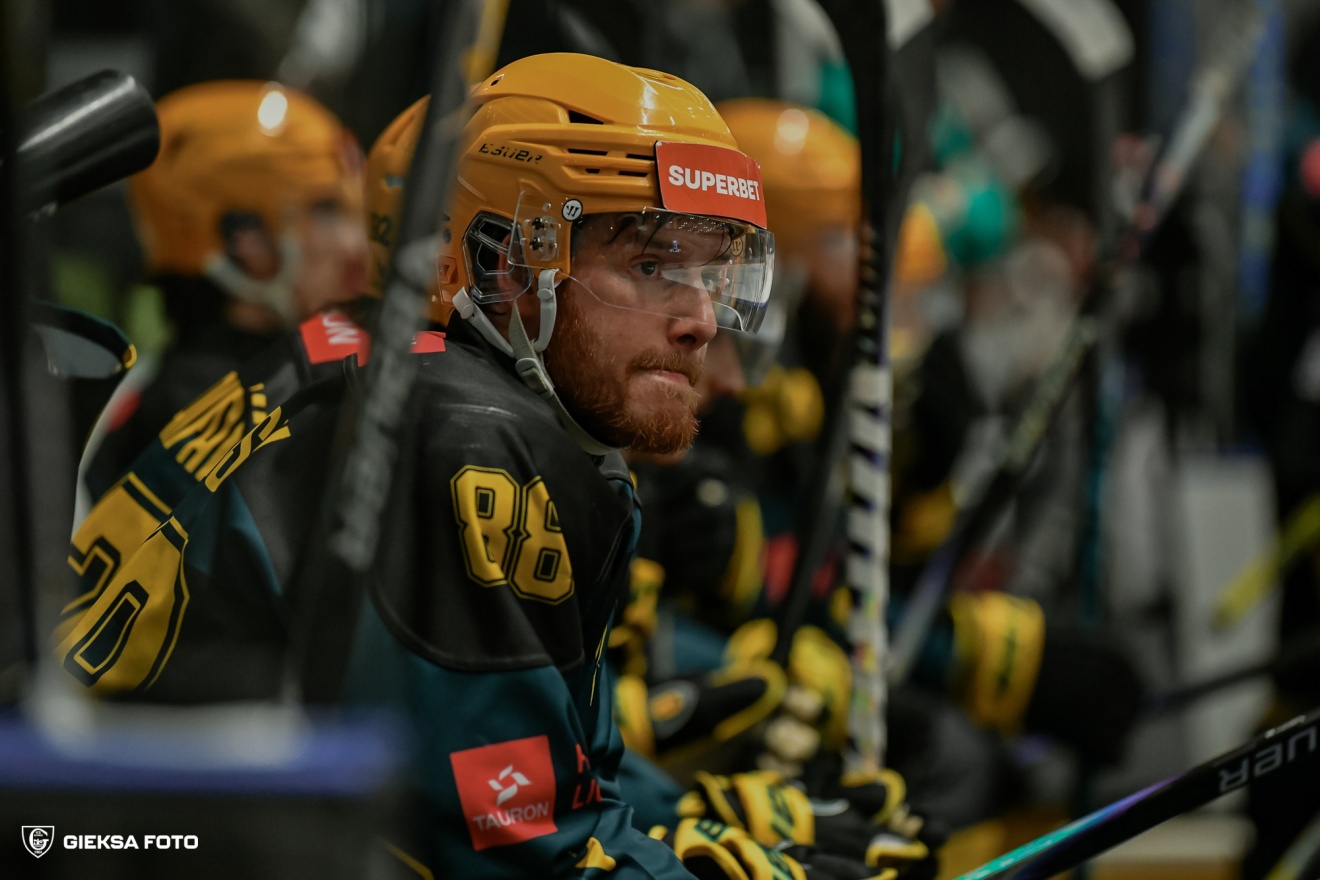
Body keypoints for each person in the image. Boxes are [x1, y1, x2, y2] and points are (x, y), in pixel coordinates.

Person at [56, 53, 923, 880]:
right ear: (503, 263)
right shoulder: (465, 434)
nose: (701, 320)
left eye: (715, 271)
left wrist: (686, 829)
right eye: (653, 264)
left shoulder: (378, 357)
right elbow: (520, 852)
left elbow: (558, 790)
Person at [82, 80, 368, 500]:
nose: (353, 245)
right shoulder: (199, 412)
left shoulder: (177, 387)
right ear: (247, 242)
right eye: (325, 211)